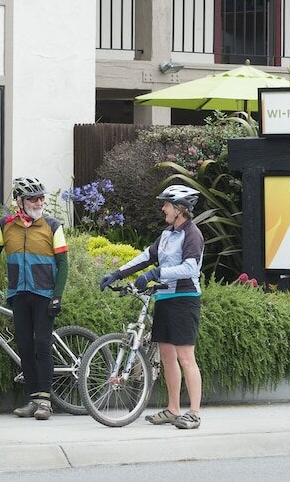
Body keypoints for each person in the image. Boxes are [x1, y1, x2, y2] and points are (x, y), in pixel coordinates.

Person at [0, 177, 68, 420]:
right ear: (20, 201)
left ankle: (46, 402)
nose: (39, 202)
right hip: (18, 293)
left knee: (41, 344)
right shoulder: (5, 225)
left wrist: (57, 296)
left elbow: (63, 263)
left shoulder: (52, 226)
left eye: (41, 197)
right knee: (25, 346)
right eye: (33, 198)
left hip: (44, 294)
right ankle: (33, 399)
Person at [99, 184, 204, 429]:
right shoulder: (167, 233)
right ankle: (173, 409)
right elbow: (147, 255)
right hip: (164, 299)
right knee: (167, 356)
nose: (163, 208)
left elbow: (191, 268)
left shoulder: (192, 234)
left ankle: (195, 413)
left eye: (167, 204)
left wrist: (158, 272)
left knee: (186, 357)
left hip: (185, 299)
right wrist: (118, 273)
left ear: (180, 209)